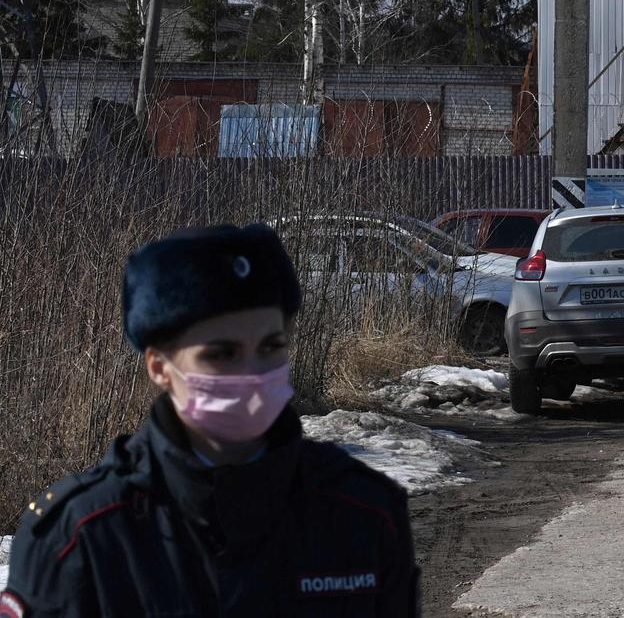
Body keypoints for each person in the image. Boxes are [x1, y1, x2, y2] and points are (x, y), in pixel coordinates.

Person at [1, 224, 420, 617]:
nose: (253, 372)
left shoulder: (363, 512)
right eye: (221, 353)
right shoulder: (82, 537)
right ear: (159, 367)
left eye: (271, 346)